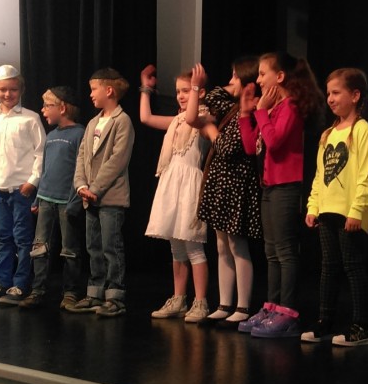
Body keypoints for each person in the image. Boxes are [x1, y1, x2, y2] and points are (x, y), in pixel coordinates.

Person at [237, 52, 324, 338]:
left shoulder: (291, 106)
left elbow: (274, 142)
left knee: (285, 251)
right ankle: (272, 307)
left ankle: (288, 312)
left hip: (287, 186)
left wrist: (261, 111)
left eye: (263, 74)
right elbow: (251, 147)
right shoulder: (273, 109)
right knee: (271, 250)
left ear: (281, 76)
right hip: (270, 186)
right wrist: (247, 113)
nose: (259, 79)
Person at [302, 68, 368, 346]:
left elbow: (367, 176)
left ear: (355, 96)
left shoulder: (363, 131)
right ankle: (325, 320)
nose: (330, 99)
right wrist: (313, 206)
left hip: (350, 214)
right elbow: (319, 175)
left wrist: (356, 211)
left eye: (336, 92)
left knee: (353, 266)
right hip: (327, 210)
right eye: (329, 93)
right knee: (329, 266)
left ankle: (361, 326)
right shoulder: (328, 134)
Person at [185, 59, 263, 328]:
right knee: (221, 245)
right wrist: (197, 87)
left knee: (237, 245)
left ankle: (242, 306)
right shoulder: (228, 105)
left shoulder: (250, 112)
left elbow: (229, 148)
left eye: (235, 76)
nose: (230, 81)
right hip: (220, 183)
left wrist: (210, 130)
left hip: (237, 184)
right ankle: (224, 304)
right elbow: (197, 112)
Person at [138, 65, 211, 323]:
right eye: (178, 91)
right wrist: (146, 88)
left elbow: (192, 117)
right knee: (176, 248)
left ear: (200, 92)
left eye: (186, 90)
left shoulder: (204, 117)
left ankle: (200, 301)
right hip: (171, 183)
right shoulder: (176, 120)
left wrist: (196, 87)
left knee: (193, 246)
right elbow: (146, 118)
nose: (180, 95)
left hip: (189, 184)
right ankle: (179, 298)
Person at [70, 68, 135, 318]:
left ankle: (115, 296)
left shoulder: (122, 121)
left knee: (111, 247)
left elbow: (117, 160)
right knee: (93, 246)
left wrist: (95, 188)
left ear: (109, 91)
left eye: (93, 89)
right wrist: (81, 186)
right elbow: (82, 156)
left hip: (110, 197)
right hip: (89, 196)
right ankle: (94, 292)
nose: (90, 94)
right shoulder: (92, 123)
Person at [0, 65, 45, 305]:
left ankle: (20, 283)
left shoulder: (30, 118)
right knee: (3, 236)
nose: (8, 94)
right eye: (3, 90)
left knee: (22, 238)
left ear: (21, 90)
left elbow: (40, 152)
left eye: (13, 90)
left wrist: (32, 181)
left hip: (21, 188)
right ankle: (3, 281)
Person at [18, 86, 86, 310]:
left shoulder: (80, 134)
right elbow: (45, 169)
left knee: (70, 248)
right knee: (40, 246)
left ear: (62, 108)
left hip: (67, 200)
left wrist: (75, 200)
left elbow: (81, 169)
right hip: (46, 198)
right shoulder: (51, 136)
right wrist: (37, 198)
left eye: (48, 106)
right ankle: (38, 290)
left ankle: (71, 292)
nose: (43, 110)